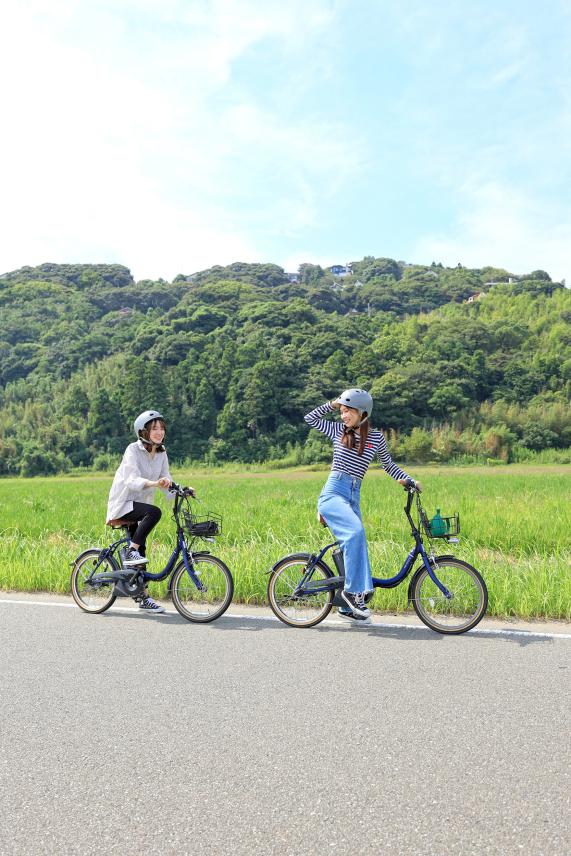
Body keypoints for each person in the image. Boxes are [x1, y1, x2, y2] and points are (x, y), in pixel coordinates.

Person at [304, 389, 421, 625]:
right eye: (343, 411)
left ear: (363, 413)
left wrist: (409, 480)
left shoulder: (376, 438)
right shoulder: (338, 430)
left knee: (357, 542)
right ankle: (351, 594)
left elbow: (389, 466)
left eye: (348, 411)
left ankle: (348, 608)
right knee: (355, 534)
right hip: (334, 492)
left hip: (353, 495)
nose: (343, 416)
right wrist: (334, 403)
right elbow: (310, 418)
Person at [106, 409, 192, 615]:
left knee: (141, 553)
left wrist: (181, 490)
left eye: (161, 428)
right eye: (154, 429)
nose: (159, 432)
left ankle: (142, 597)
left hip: (139, 505)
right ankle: (130, 551)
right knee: (154, 513)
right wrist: (154, 483)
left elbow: (166, 479)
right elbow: (131, 480)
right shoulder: (132, 451)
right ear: (143, 432)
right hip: (125, 502)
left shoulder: (162, 453)